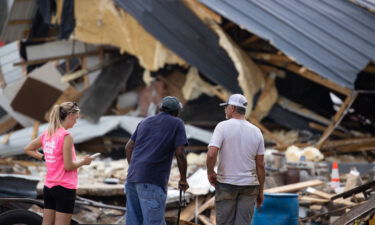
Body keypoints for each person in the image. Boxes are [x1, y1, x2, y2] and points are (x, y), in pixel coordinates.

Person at [24, 102, 93, 225]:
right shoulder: (66, 136)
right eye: (76, 118)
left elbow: (28, 149)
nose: (76, 122)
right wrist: (84, 162)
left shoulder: (48, 133)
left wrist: (44, 157)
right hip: (65, 188)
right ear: (70, 116)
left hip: (49, 187)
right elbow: (68, 166)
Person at [124, 96, 189, 225]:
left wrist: (134, 168)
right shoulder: (177, 123)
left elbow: (128, 147)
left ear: (160, 108)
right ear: (177, 112)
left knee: (133, 222)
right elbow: (180, 153)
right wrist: (183, 179)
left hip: (132, 180)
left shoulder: (145, 121)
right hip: (152, 181)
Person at [206, 94, 265, 225]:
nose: (225, 110)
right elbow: (260, 164)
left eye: (226, 107)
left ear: (232, 108)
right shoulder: (256, 131)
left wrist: (210, 172)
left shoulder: (222, 127)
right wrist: (261, 191)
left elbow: (211, 154)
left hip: (227, 184)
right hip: (249, 186)